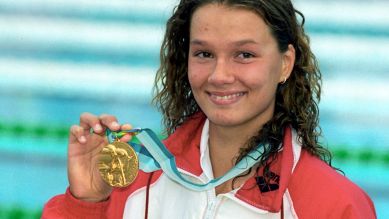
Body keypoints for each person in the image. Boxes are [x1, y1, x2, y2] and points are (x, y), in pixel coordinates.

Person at [42, 0, 376, 218]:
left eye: (244, 54)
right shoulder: (137, 183)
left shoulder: (334, 205)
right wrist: (85, 203)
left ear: (285, 64)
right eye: (204, 54)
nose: (219, 76)